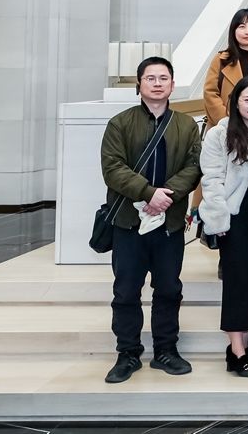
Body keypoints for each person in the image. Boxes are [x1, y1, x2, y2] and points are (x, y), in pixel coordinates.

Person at [100, 56, 202, 384]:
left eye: (163, 78)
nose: (157, 84)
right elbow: (112, 168)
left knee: (169, 288)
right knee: (126, 290)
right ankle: (127, 353)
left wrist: (165, 196)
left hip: (169, 223)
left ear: (172, 84)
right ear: (139, 84)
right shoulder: (120, 123)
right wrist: (147, 193)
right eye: (150, 78)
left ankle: (165, 350)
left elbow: (194, 167)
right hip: (129, 223)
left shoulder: (186, 126)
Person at [199, 76, 248, 378]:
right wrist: (218, 219)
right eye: (247, 100)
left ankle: (245, 341)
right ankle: (236, 351)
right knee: (237, 282)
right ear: (235, 102)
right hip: (234, 219)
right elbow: (211, 179)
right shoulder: (219, 134)